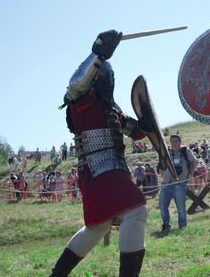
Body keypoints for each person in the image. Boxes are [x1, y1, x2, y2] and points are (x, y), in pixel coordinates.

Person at [48, 30, 153, 277]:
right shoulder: (83, 101)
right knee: (136, 209)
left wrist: (147, 123)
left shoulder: (109, 109)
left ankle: (56, 275)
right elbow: (75, 85)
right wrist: (99, 53)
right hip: (99, 170)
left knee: (98, 226)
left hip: (102, 173)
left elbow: (135, 131)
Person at [158, 134, 196, 232]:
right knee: (162, 206)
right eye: (172, 141)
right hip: (166, 183)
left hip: (180, 183)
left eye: (176, 141)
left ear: (180, 142)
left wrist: (191, 173)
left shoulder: (185, 151)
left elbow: (194, 161)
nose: (174, 143)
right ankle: (166, 226)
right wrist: (162, 174)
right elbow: (161, 165)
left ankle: (182, 227)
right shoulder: (167, 152)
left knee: (181, 207)